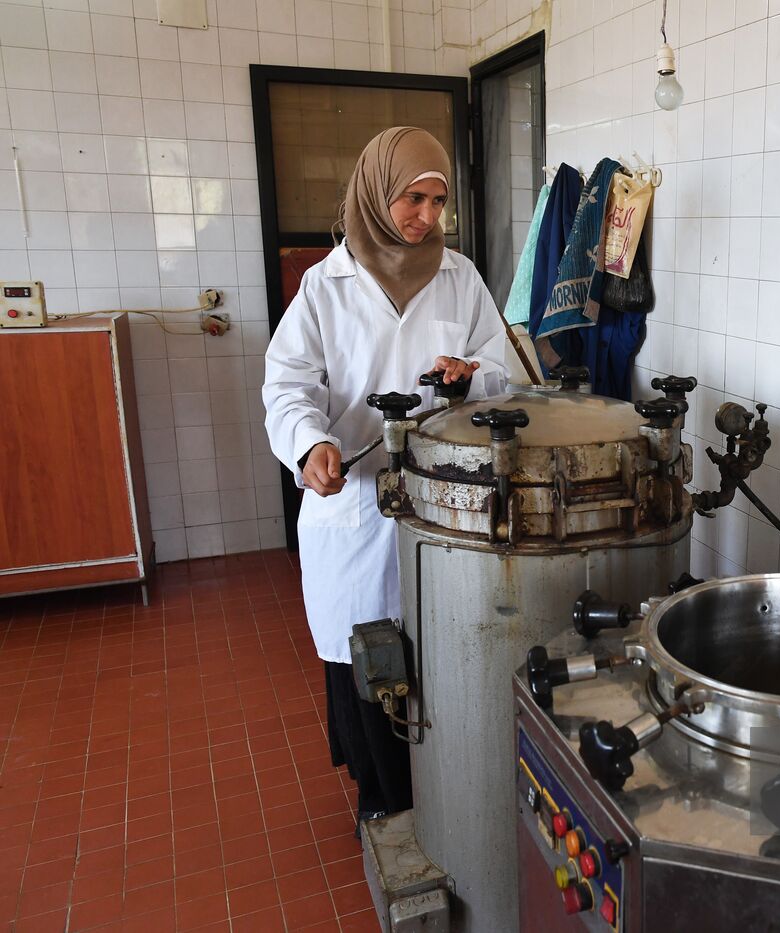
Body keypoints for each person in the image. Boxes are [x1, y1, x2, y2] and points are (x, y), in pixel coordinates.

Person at [263, 126, 508, 828]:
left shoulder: (460, 277)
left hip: (444, 499)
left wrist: (472, 375)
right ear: (375, 193)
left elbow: (506, 369)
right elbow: (287, 386)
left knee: (440, 645)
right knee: (364, 654)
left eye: (438, 202)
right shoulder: (324, 286)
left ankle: (447, 787)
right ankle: (383, 798)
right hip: (358, 502)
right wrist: (310, 445)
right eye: (413, 198)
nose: (427, 217)